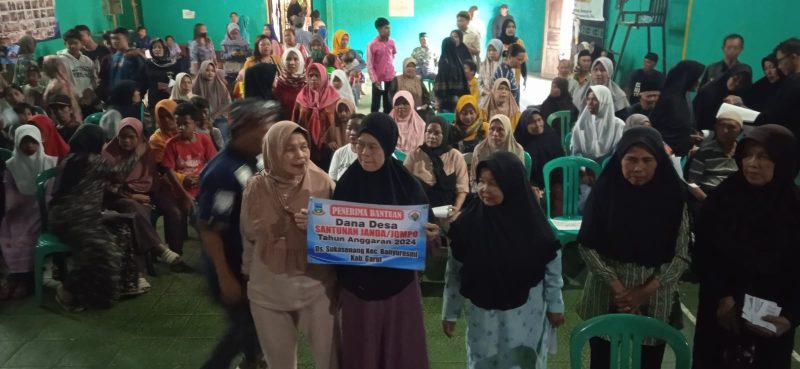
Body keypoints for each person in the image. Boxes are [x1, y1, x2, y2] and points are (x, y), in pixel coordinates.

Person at [332, 112, 439, 369]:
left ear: (388, 146)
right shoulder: (347, 184)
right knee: (362, 352)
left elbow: (430, 242)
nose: (365, 153)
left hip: (399, 289)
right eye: (360, 145)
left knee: (401, 351)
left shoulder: (408, 186)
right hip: (357, 288)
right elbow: (332, 235)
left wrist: (430, 237)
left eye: (373, 146)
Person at [577, 126, 689, 369]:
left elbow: (681, 255)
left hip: (655, 296)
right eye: (631, 159)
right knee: (602, 361)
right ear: (619, 160)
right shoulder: (605, 191)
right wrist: (618, 289)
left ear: (659, 162)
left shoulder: (673, 196)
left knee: (648, 362)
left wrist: (641, 293)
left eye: (647, 160)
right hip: (605, 292)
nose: (638, 168)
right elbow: (587, 245)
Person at [692, 124, 799, 369]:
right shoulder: (723, 199)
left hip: (773, 323)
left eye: (764, 157)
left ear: (783, 161)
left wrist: (791, 318)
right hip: (720, 315)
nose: (752, 163)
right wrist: (722, 297)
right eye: (748, 155)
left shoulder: (794, 208)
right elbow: (704, 253)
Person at [444, 150, 563, 369]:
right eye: (481, 182)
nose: (484, 190)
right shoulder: (467, 225)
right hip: (482, 316)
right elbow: (454, 271)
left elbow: (552, 268)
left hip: (526, 315)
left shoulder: (532, 226)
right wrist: (449, 312)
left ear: (512, 185)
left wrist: (556, 305)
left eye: (494, 183)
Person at [242, 120, 339, 369]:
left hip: (317, 287)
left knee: (332, 361)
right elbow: (249, 237)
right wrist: (250, 275)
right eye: (289, 149)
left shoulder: (323, 183)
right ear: (272, 151)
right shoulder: (255, 187)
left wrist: (319, 224)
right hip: (269, 289)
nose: (300, 155)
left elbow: (344, 232)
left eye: (304, 147)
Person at [197, 98, 280, 369]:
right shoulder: (222, 173)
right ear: (245, 129)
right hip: (229, 265)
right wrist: (225, 278)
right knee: (243, 325)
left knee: (256, 319)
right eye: (265, 128)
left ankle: (253, 359)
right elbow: (210, 230)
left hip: (249, 263)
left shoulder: (252, 160)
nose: (270, 134)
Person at [49, 124, 150, 311]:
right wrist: (138, 153)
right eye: (103, 141)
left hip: (71, 216)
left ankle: (123, 285)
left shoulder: (71, 158)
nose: (105, 145)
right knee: (105, 250)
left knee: (121, 230)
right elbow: (119, 174)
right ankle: (68, 290)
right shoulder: (92, 160)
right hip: (75, 218)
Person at [102, 117, 184, 275]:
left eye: (131, 137)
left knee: (174, 211)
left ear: (139, 137)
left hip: (150, 191)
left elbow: (152, 177)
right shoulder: (109, 153)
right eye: (122, 136)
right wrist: (133, 196)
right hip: (119, 196)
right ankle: (156, 253)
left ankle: (176, 254)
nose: (126, 141)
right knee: (137, 213)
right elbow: (108, 185)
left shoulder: (146, 150)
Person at [0, 125, 56, 300]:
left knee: (29, 232)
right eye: (25, 143)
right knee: (8, 227)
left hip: (42, 211)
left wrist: (39, 204)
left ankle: (25, 279)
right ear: (17, 144)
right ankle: (15, 276)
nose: (30, 147)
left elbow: (51, 193)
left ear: (39, 142)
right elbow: (9, 190)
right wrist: (13, 206)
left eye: (33, 142)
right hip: (18, 209)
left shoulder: (49, 162)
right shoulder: (11, 166)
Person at [161, 102, 218, 221]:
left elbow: (213, 162)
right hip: (181, 190)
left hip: (202, 187)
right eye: (178, 124)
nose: (181, 128)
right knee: (197, 218)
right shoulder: (171, 144)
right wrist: (184, 195)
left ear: (195, 123)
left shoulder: (204, 140)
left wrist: (202, 178)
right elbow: (169, 172)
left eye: (185, 124)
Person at [403, 116, 468, 213]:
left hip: (447, 211)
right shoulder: (415, 155)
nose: (432, 136)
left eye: (437, 133)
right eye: (429, 131)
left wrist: (456, 209)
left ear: (445, 134)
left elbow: (462, 188)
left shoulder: (455, 156)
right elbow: (403, 183)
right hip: (419, 212)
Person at [650, 60, 705, 157]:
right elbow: (662, 132)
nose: (698, 82)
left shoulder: (681, 97)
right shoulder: (671, 99)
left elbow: (676, 128)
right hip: (665, 156)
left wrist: (689, 137)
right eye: (696, 78)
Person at [292, 62, 342, 169]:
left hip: (329, 146)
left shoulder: (334, 98)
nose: (313, 78)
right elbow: (295, 120)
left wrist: (335, 140)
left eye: (317, 75)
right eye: (310, 75)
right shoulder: (301, 97)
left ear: (324, 76)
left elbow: (339, 124)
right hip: (306, 144)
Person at [685, 111, 742, 202]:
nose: (725, 131)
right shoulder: (704, 152)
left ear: (740, 131)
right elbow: (692, 184)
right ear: (716, 127)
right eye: (721, 126)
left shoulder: (743, 152)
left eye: (731, 127)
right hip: (709, 198)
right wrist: (708, 201)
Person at [756, 38, 800, 145]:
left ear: (793, 57)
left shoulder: (793, 82)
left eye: (780, 61)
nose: (779, 66)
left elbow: (775, 115)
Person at [514, 107, 566, 191]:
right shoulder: (520, 142)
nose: (538, 125)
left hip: (554, 181)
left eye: (539, 120)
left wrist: (558, 184)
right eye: (532, 122)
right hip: (531, 184)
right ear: (524, 125)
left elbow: (560, 162)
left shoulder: (551, 136)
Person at [571, 85, 625, 162]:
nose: (589, 103)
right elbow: (575, 152)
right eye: (588, 99)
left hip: (608, 169)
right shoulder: (581, 124)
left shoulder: (618, 126)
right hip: (583, 168)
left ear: (605, 101)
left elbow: (617, 154)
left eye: (594, 99)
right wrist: (584, 167)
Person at [693, 64, 752, 131]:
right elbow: (695, 114)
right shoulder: (709, 89)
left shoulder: (743, 94)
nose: (737, 84)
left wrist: (740, 104)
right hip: (703, 131)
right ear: (729, 75)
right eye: (735, 79)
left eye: (742, 82)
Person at [470, 114, 525, 183]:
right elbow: (474, 179)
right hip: (484, 190)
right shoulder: (480, 149)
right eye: (492, 129)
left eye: (500, 129)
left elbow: (520, 180)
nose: (495, 133)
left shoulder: (517, 150)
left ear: (508, 131)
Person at [57, 29, 97, 107]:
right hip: (71, 100)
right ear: (65, 43)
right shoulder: (60, 60)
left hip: (87, 100)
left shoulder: (87, 61)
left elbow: (93, 79)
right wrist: (74, 96)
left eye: (75, 43)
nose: (72, 46)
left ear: (81, 43)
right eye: (69, 43)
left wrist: (89, 90)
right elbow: (61, 82)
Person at [104, 28, 147, 97]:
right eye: (112, 38)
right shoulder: (112, 58)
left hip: (131, 98)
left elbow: (143, 79)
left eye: (117, 38)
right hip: (114, 98)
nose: (114, 41)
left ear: (126, 39)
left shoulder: (135, 56)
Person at [192, 61, 232, 135]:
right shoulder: (195, 85)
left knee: (220, 133)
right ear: (202, 70)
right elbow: (192, 103)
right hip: (199, 118)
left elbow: (227, 103)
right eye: (207, 70)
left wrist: (214, 116)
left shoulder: (220, 85)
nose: (210, 73)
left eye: (212, 71)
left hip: (219, 117)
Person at [144, 39, 181, 117]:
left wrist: (170, 87)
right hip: (153, 99)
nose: (157, 49)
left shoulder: (174, 64)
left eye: (160, 47)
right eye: (154, 48)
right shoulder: (148, 63)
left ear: (165, 49)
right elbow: (144, 81)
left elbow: (177, 78)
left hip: (169, 97)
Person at [367, 18, 397, 114]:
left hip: (390, 78)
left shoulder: (392, 42)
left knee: (388, 103)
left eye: (389, 28)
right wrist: (375, 80)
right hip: (379, 81)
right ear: (379, 29)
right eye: (386, 28)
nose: (389, 30)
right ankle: (373, 123)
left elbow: (393, 55)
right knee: (376, 104)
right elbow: (370, 64)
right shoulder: (372, 45)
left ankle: (387, 123)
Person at [42, 56, 83, 124]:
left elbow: (67, 103)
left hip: (67, 122)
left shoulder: (57, 84)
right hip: (72, 119)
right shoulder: (64, 81)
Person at [434, 38, 470, 113]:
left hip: (446, 103)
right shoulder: (458, 61)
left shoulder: (444, 62)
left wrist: (438, 100)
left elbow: (440, 85)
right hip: (459, 102)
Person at [328, 114, 365, 181]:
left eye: (357, 128)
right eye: (349, 128)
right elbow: (332, 180)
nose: (352, 132)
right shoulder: (339, 153)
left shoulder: (369, 155)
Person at [274, 48, 307, 117]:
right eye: (288, 59)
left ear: (301, 61)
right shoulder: (279, 83)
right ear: (283, 61)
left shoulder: (307, 84)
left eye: (295, 59)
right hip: (285, 125)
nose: (292, 62)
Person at [498, 19, 527, 89]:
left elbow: (522, 62)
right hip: (500, 77)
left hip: (515, 78)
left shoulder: (519, 42)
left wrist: (525, 76)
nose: (511, 29)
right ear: (504, 28)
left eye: (513, 27)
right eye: (508, 26)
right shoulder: (498, 41)